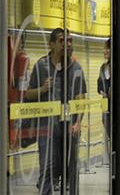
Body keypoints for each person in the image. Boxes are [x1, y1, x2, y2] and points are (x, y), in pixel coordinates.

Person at [25, 28, 87, 195]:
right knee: (48, 168)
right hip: (47, 129)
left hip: (69, 129)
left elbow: (81, 97)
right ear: (51, 44)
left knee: (71, 168)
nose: (67, 44)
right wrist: (43, 89)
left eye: (69, 41)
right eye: (61, 41)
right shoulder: (41, 66)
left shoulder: (76, 68)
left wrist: (78, 121)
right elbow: (28, 94)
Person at [97, 38, 111, 164]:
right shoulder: (103, 67)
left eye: (107, 48)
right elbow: (99, 87)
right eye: (104, 48)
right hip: (106, 108)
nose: (105, 51)